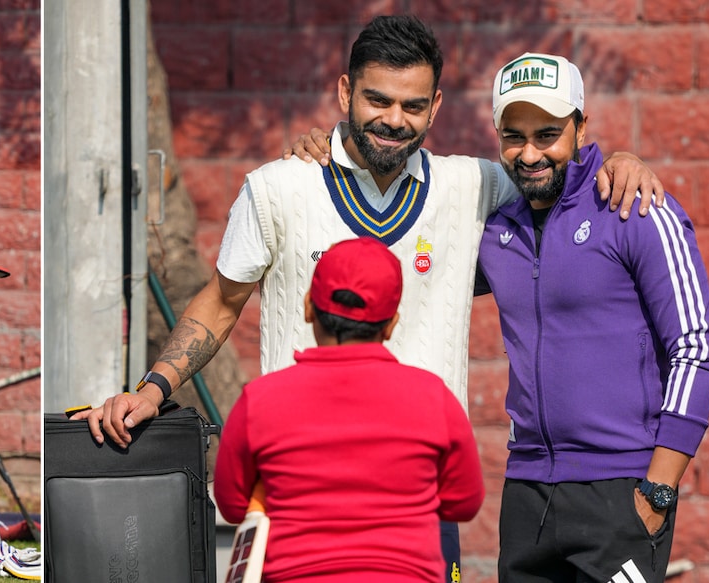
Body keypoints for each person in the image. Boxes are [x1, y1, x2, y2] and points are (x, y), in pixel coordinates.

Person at [75, 15, 663, 582]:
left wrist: (617, 162)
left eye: (412, 106)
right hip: (299, 495)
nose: (393, 120)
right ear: (344, 92)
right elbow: (223, 301)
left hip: (416, 502)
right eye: (377, 100)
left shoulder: (477, 186)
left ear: (435, 107)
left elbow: (554, 173)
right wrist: (152, 389)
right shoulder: (279, 187)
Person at [476, 53, 709, 582]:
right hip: (526, 497)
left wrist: (658, 488)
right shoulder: (494, 230)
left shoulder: (636, 209)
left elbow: (697, 350)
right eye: (513, 136)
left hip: (622, 493)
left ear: (581, 128)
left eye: (548, 133)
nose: (530, 153)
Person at [214, 237, 485, 582]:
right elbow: (464, 503)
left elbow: (233, 505)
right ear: (390, 324)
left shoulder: (259, 400)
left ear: (309, 307)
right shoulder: (433, 397)